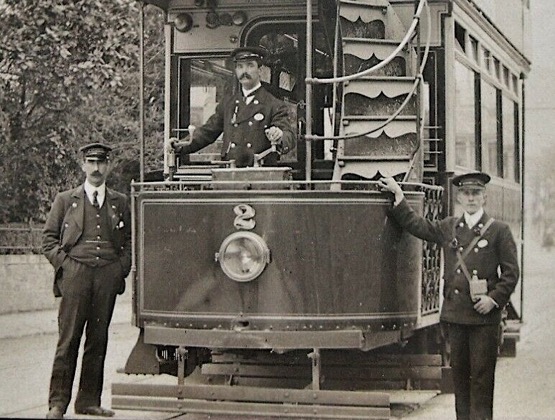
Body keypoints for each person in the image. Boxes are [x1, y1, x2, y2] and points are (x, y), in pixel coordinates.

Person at [379, 172, 519, 420]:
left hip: (484, 319)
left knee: (481, 381)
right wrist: (399, 197)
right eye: (466, 193)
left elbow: (511, 273)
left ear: (484, 197)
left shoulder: (499, 230)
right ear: (459, 197)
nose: (471, 198)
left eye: (476, 193)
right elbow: (418, 226)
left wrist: (494, 299)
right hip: (456, 317)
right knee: (460, 381)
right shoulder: (450, 227)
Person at [42, 143, 131, 419]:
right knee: (68, 341)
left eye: (101, 163)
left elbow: (130, 241)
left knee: (98, 340)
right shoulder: (65, 200)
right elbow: (48, 240)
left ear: (109, 166)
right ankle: (58, 404)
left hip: (107, 275)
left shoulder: (120, 201)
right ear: (83, 165)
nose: (96, 168)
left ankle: (89, 401)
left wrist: (120, 269)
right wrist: (67, 268)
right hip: (76, 276)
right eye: (91, 162)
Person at [172, 46, 295, 167]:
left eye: (250, 65)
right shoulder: (228, 104)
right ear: (236, 71)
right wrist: (179, 145)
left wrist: (280, 136)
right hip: (229, 176)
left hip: (260, 178)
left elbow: (289, 137)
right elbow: (207, 132)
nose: (244, 71)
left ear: (260, 70)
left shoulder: (274, 105)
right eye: (240, 67)